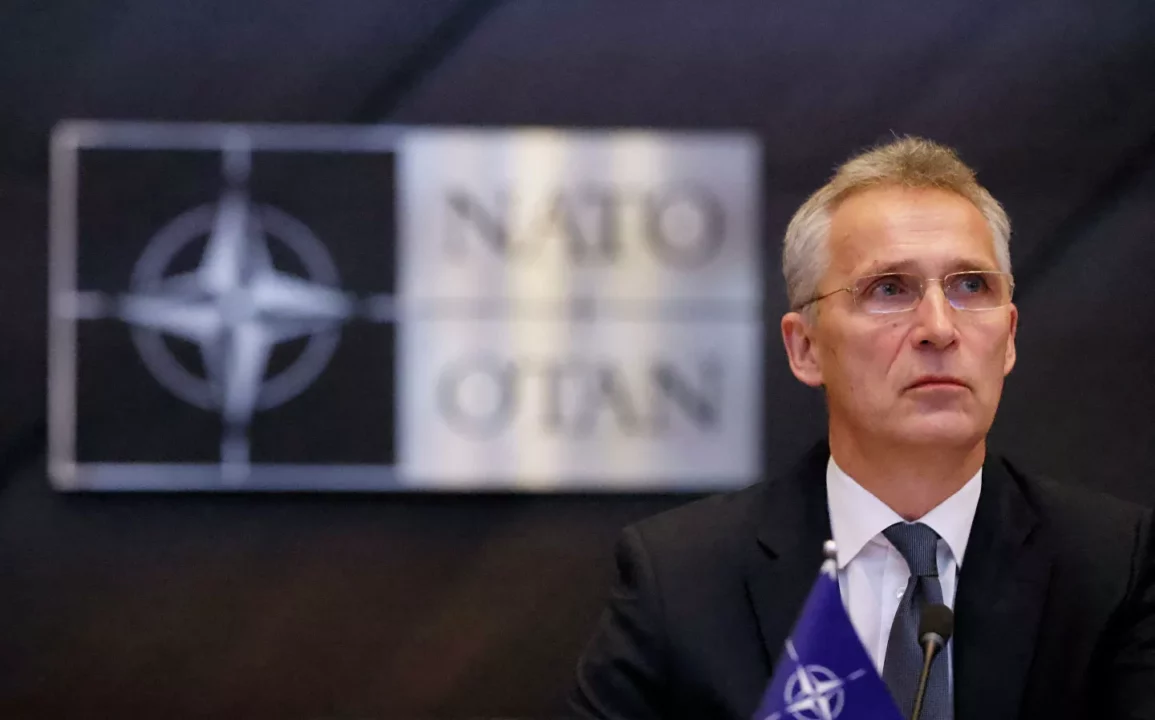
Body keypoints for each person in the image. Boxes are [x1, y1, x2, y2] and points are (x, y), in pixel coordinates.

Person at [569, 137, 1155, 720]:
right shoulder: (683, 577)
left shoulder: (1111, 567)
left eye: (971, 286)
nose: (938, 328)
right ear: (805, 348)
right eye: (889, 289)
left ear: (1009, 337)